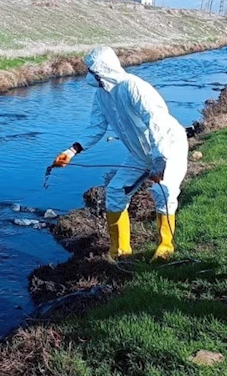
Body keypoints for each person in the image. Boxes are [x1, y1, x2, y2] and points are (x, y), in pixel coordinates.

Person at [53, 46, 188, 261]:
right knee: (115, 192)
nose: (89, 75)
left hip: (168, 147)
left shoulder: (132, 87)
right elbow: (96, 127)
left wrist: (160, 157)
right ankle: (120, 252)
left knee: (164, 191)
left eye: (92, 71)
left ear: (103, 69)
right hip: (138, 154)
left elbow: (156, 121)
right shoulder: (101, 95)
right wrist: (72, 151)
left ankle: (165, 247)